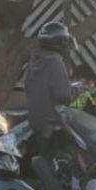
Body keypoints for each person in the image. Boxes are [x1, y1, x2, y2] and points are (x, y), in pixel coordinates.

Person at [24, 21, 74, 158]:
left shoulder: (34, 59)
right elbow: (63, 94)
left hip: (36, 121)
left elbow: (27, 85)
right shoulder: (55, 61)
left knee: (43, 157)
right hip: (53, 123)